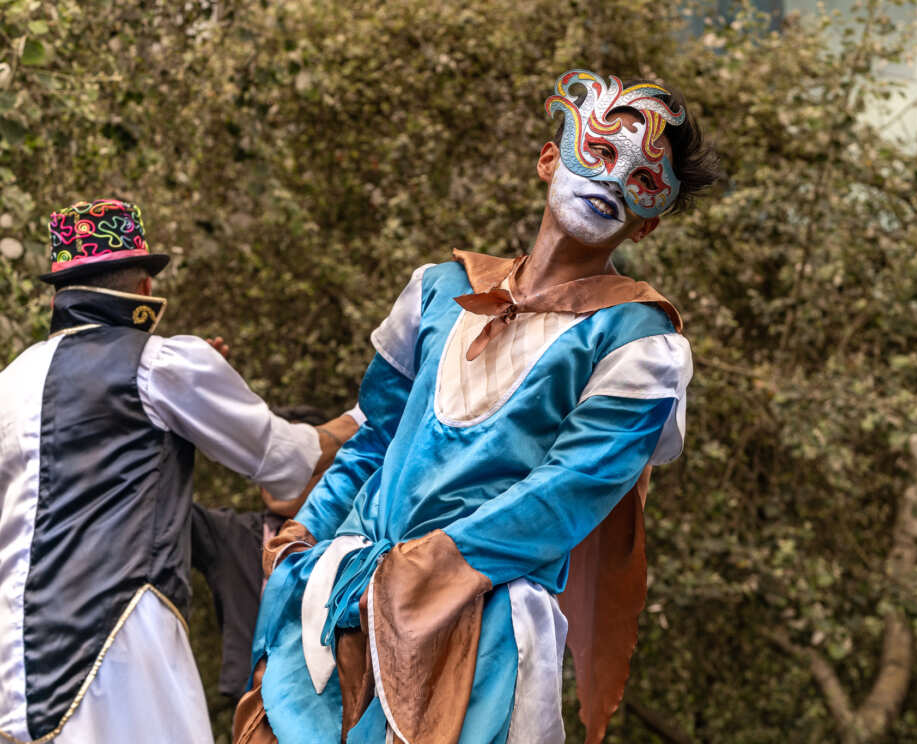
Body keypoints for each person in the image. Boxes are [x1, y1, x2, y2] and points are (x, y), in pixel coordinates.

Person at [237, 69, 717, 744]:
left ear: (646, 223)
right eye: (600, 152)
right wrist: (303, 545)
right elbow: (374, 438)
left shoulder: (642, 341)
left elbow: (566, 494)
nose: (611, 180)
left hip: (482, 620)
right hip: (340, 599)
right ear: (550, 158)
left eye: (641, 179)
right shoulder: (438, 290)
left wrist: (425, 571)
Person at [0, 199, 355, 744]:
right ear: (145, 289)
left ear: (58, 296)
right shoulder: (161, 364)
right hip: (120, 644)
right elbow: (288, 463)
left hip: (13, 659)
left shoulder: (12, 383)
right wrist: (367, 415)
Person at [192, 405, 363, 703]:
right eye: (268, 464)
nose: (275, 476)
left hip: (332, 705)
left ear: (329, 468)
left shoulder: (353, 537)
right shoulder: (231, 535)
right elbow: (166, 514)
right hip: (251, 705)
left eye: (290, 462)